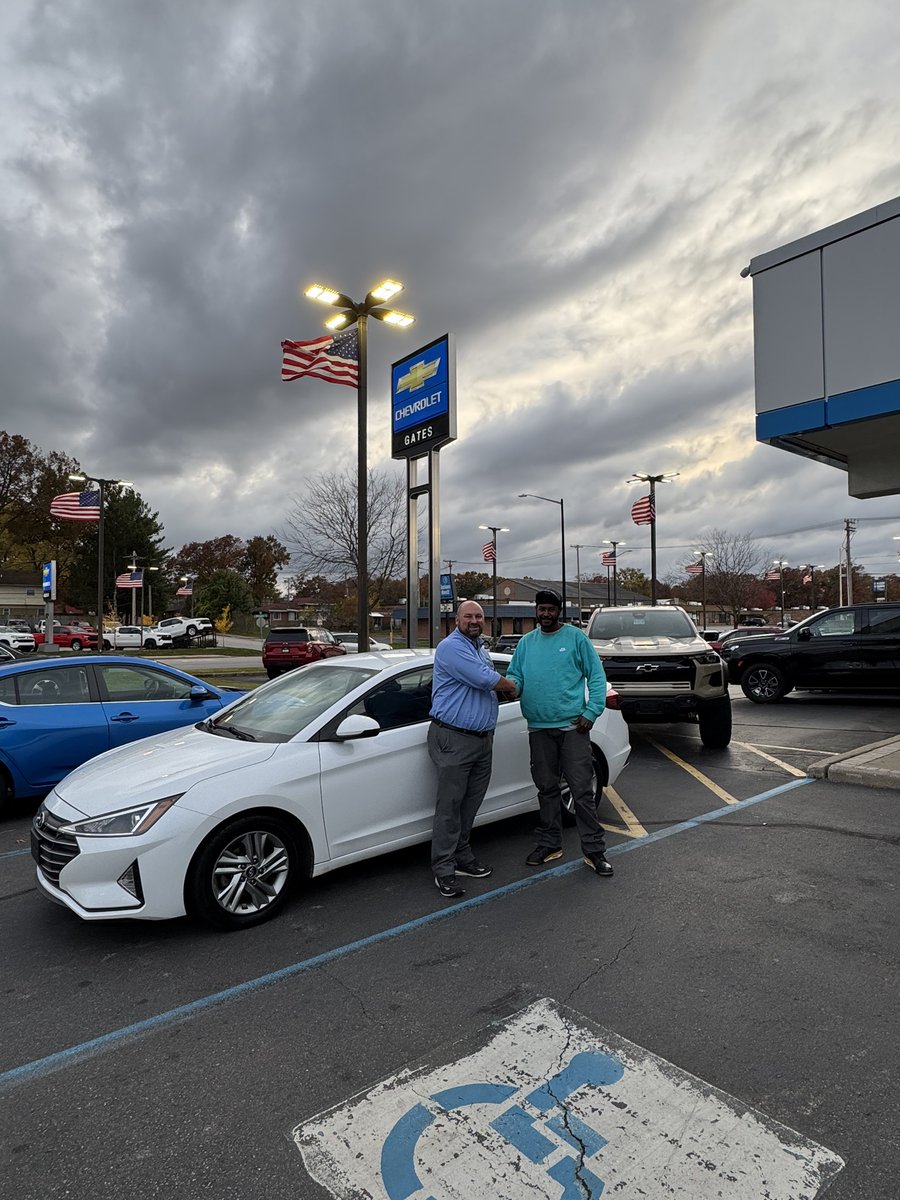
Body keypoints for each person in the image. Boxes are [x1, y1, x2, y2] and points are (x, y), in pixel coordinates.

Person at [506, 588, 613, 877]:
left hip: (572, 730)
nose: (546, 614)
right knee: (547, 789)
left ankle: (594, 850)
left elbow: (597, 676)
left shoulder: (576, 639)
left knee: (581, 792)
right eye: (541, 609)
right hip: (539, 730)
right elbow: (516, 675)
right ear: (536, 611)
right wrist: (510, 686)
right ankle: (550, 843)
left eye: (551, 609)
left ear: (559, 611)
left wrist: (592, 712)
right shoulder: (527, 643)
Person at [428, 601, 519, 898]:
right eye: (468, 616)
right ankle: (444, 868)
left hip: (482, 739)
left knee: (470, 805)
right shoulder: (451, 648)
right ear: (457, 620)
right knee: (449, 807)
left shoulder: (479, 647)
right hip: (454, 739)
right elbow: (485, 680)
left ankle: (462, 857)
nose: (474, 620)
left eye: (479, 616)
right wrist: (512, 686)